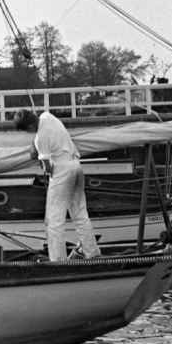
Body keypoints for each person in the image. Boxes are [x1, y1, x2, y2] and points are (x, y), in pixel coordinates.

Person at [14, 109, 100, 261]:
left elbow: (47, 167)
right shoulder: (47, 116)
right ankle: (92, 253)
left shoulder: (41, 139)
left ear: (29, 127)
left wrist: (43, 163)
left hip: (62, 173)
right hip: (76, 166)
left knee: (54, 221)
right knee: (80, 215)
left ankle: (58, 260)